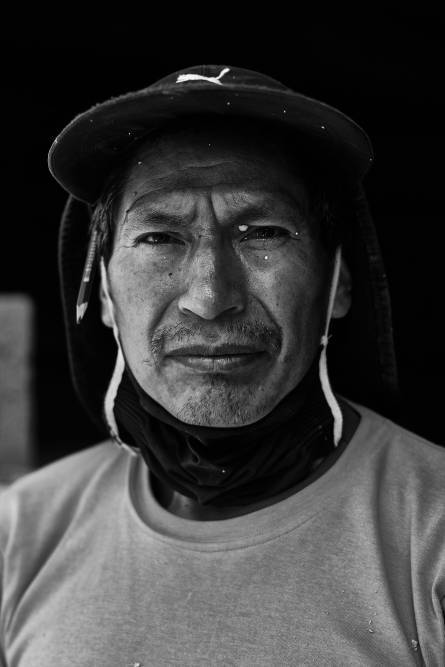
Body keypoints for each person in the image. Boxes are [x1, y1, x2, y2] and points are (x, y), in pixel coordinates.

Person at [0, 65, 443, 665]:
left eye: (262, 232)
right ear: (103, 293)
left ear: (337, 284)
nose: (210, 298)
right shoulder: (20, 533)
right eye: (159, 238)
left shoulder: (432, 533)